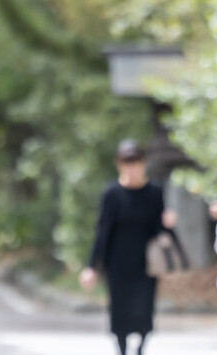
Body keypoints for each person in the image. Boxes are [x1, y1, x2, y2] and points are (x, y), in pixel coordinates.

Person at [79, 140, 173, 355]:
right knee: (120, 312)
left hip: (145, 264)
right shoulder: (112, 194)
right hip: (118, 264)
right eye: (127, 162)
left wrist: (167, 225)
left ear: (143, 162)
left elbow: (158, 230)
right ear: (119, 164)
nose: (132, 167)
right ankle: (121, 350)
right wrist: (92, 266)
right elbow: (103, 231)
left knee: (144, 310)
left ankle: (140, 349)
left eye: (136, 161)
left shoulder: (154, 192)